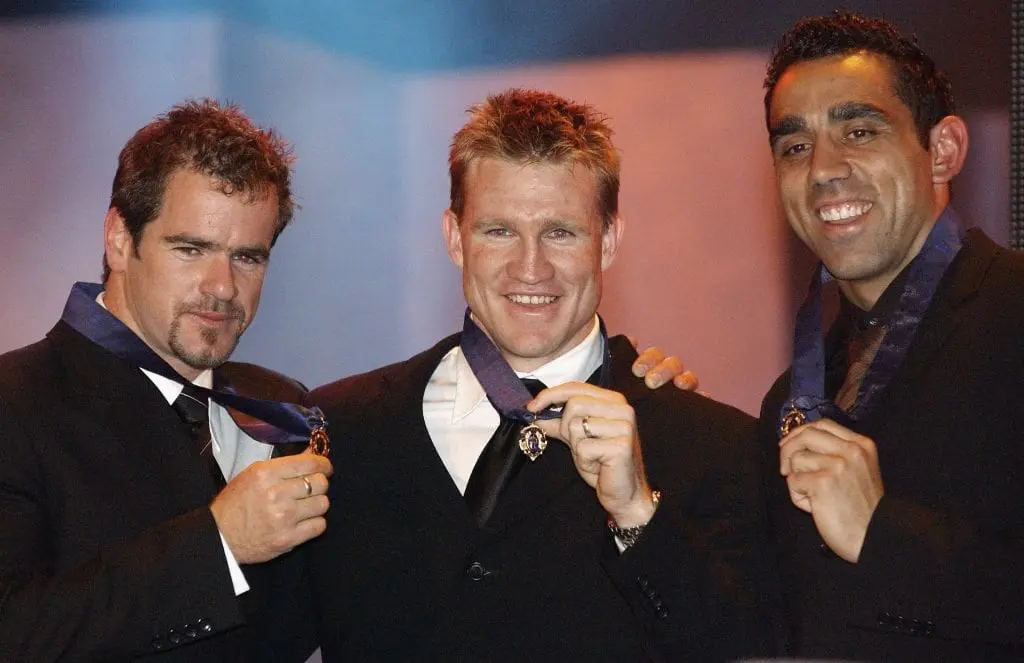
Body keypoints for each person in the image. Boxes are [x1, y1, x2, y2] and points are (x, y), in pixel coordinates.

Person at [304, 88, 779, 662]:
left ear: (608, 241)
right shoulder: (340, 431)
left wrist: (637, 515)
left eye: (560, 232)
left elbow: (747, 648)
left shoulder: (715, 445)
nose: (531, 268)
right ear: (455, 238)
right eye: (499, 230)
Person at [0, 99, 333, 662]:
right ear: (119, 239)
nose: (223, 286)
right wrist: (218, 544)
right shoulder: (14, 404)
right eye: (191, 249)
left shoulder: (283, 407)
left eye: (248, 257)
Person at [759, 11, 1024, 661]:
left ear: (943, 150)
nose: (823, 169)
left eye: (858, 130)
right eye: (794, 145)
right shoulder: (787, 399)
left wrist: (883, 533)